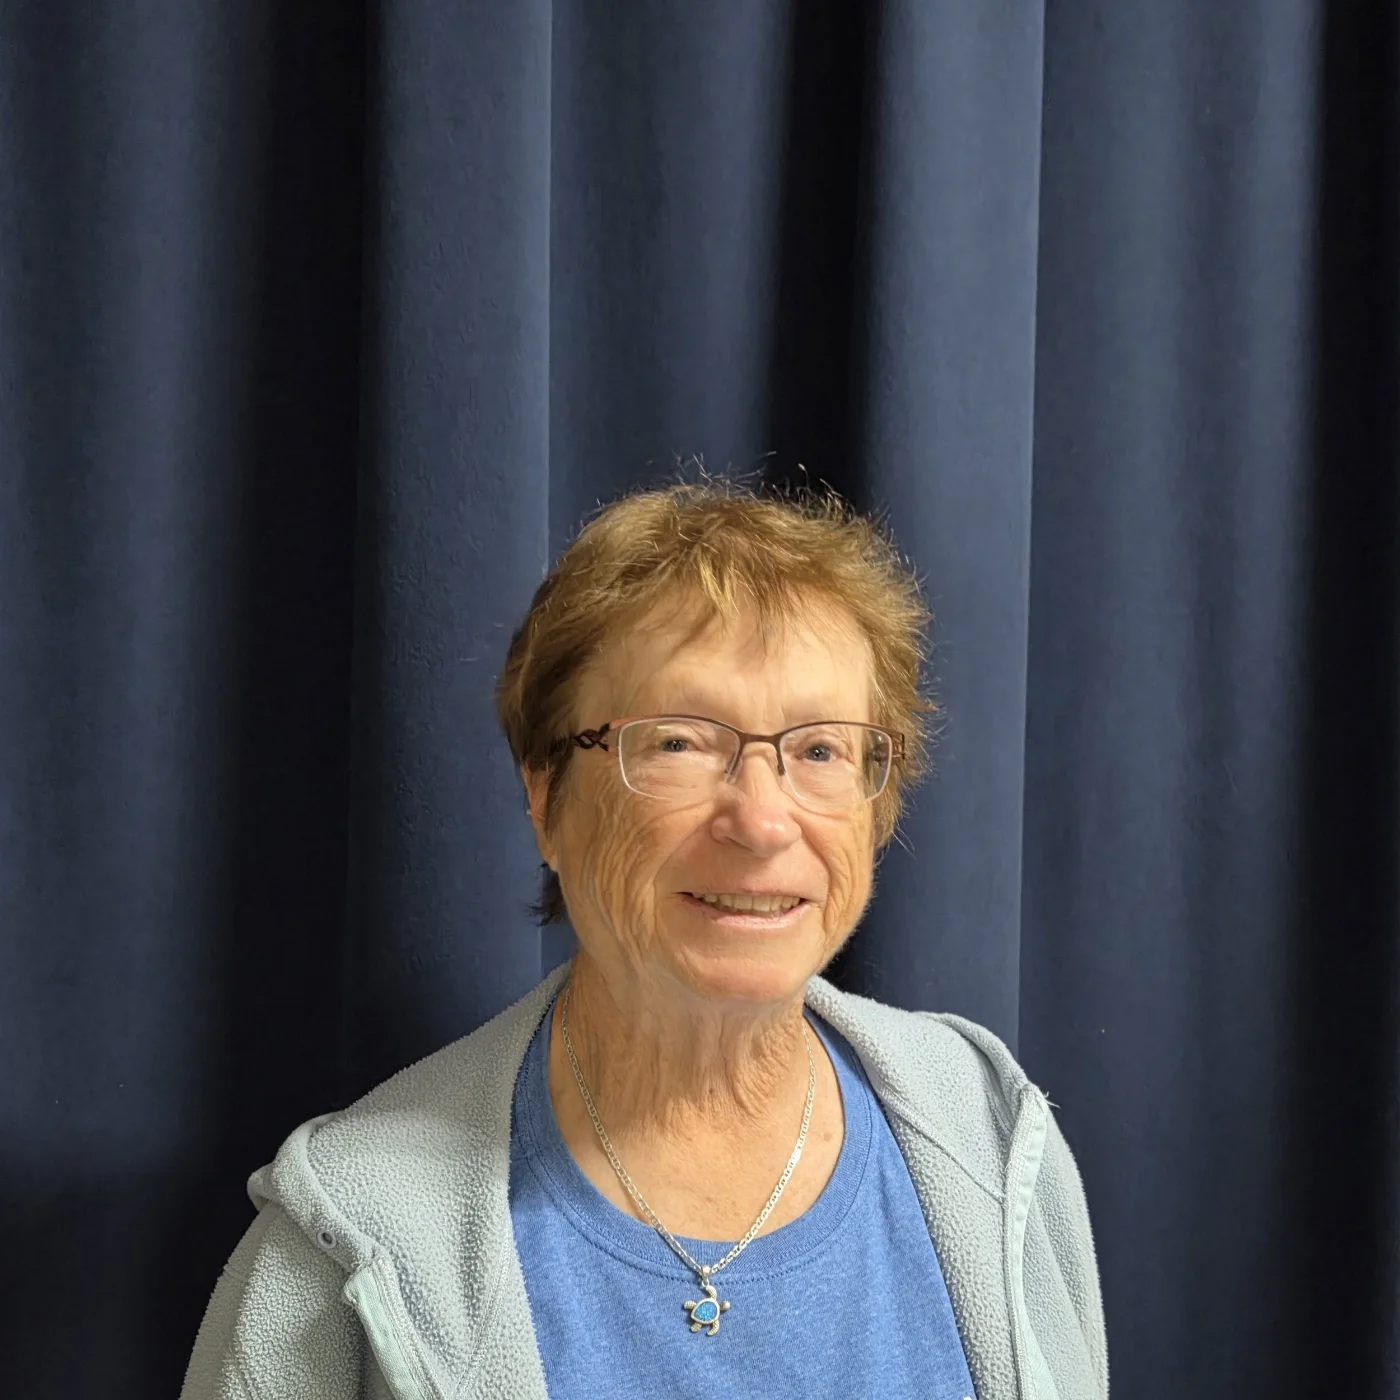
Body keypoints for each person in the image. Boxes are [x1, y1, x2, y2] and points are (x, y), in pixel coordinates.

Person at [181, 480, 1109, 1400]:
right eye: (678, 743)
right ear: (546, 797)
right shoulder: (349, 1237)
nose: (762, 821)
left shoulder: (991, 1139)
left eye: (820, 750)